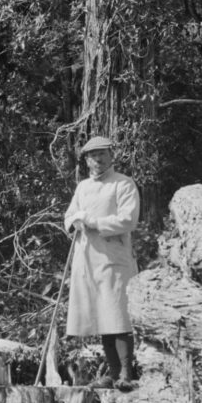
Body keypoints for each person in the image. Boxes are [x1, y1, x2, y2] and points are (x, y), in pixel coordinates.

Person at [64, 134, 140, 387]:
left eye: (102, 154)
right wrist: (75, 221)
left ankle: (126, 374)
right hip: (87, 258)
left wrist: (95, 222)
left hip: (113, 257)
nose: (97, 160)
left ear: (111, 156)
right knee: (101, 315)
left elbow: (129, 219)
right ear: (86, 160)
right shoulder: (83, 187)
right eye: (92, 156)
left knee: (118, 314)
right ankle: (113, 372)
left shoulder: (123, 184)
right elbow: (70, 215)